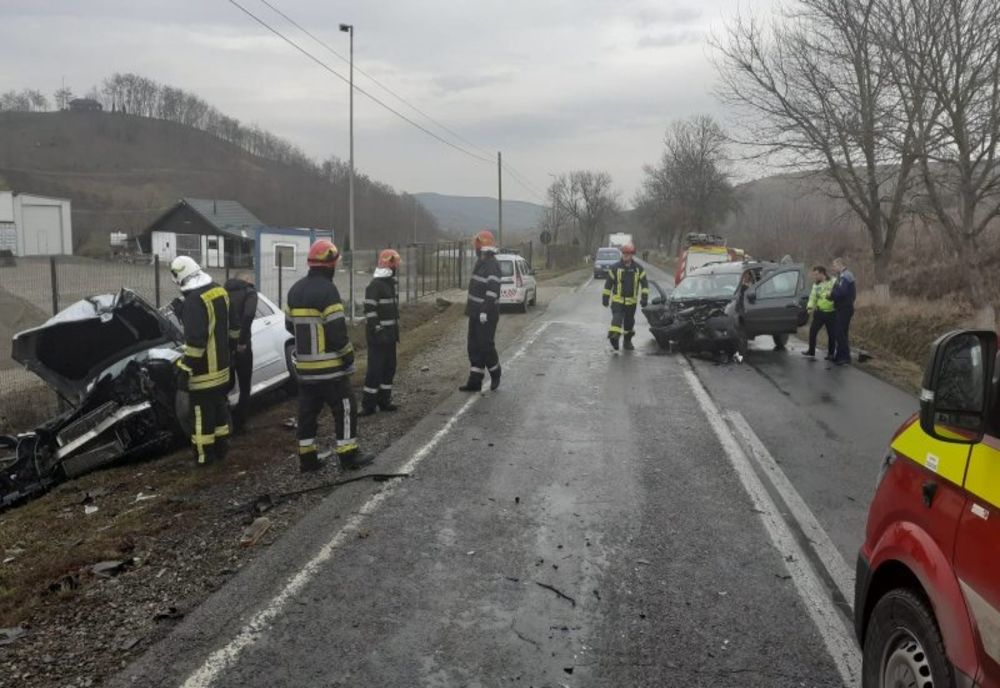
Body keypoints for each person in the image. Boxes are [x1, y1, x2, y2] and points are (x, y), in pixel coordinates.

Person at [285, 240, 374, 472]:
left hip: (304, 370)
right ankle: (348, 455)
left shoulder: (295, 290)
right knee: (345, 407)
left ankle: (307, 458)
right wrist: (348, 355)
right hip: (330, 369)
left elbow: (289, 325)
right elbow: (336, 331)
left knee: (307, 413)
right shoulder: (328, 291)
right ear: (329, 265)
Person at [170, 256, 234, 466]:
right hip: (223, 370)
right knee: (219, 413)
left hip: (204, 374)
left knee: (201, 418)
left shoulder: (194, 301)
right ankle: (222, 450)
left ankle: (204, 457)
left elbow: (196, 343)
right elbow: (233, 329)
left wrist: (184, 367)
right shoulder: (219, 290)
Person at [459, 230, 502, 392]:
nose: (475, 248)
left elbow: (492, 291)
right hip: (475, 313)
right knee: (473, 346)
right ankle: (475, 381)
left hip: (487, 314)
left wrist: (484, 310)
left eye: (477, 245)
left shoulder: (492, 264)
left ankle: (496, 372)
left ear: (483, 247)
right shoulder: (481, 262)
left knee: (485, 345)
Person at [361, 249, 402, 416]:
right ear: (388, 265)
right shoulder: (375, 286)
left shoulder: (389, 284)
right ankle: (368, 405)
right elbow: (370, 311)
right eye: (394, 265)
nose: (396, 268)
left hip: (390, 337)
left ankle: (384, 401)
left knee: (389, 368)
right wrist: (378, 330)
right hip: (378, 338)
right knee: (375, 370)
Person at [224, 272, 258, 432]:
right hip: (242, 347)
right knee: (245, 387)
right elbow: (249, 314)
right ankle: (240, 425)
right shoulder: (249, 292)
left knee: (225, 386)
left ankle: (224, 420)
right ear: (246, 280)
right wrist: (242, 341)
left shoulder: (223, 292)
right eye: (250, 279)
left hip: (224, 346)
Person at [602, 244, 649, 351]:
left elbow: (645, 285)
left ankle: (627, 342)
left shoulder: (638, 269)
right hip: (617, 301)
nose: (625, 256)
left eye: (628, 254)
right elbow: (608, 284)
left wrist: (644, 298)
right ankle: (614, 339)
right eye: (624, 253)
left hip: (631, 303)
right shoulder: (615, 268)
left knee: (629, 324)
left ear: (632, 255)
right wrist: (605, 297)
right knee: (616, 321)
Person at [802, 266, 836, 360]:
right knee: (812, 331)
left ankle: (831, 354)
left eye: (816, 274)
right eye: (814, 275)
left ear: (822, 273)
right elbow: (812, 297)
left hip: (831, 313)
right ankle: (811, 351)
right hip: (819, 312)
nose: (815, 277)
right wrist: (809, 307)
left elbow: (838, 293)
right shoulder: (816, 285)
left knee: (831, 334)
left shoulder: (833, 281)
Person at [829, 257, 857, 366]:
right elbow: (836, 289)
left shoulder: (846, 276)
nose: (833, 268)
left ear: (840, 265)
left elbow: (841, 292)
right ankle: (839, 355)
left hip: (845, 308)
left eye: (834, 265)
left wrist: (831, 294)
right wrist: (831, 295)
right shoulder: (840, 276)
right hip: (840, 307)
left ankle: (845, 357)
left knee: (840, 333)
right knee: (841, 333)